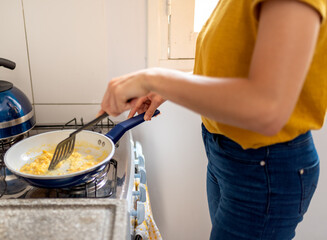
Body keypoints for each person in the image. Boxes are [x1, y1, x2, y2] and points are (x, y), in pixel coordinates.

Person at [99, 0, 326, 239]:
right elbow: (233, 68)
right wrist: (168, 87)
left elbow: (268, 108)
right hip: (225, 156)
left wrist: (153, 79)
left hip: (265, 167)